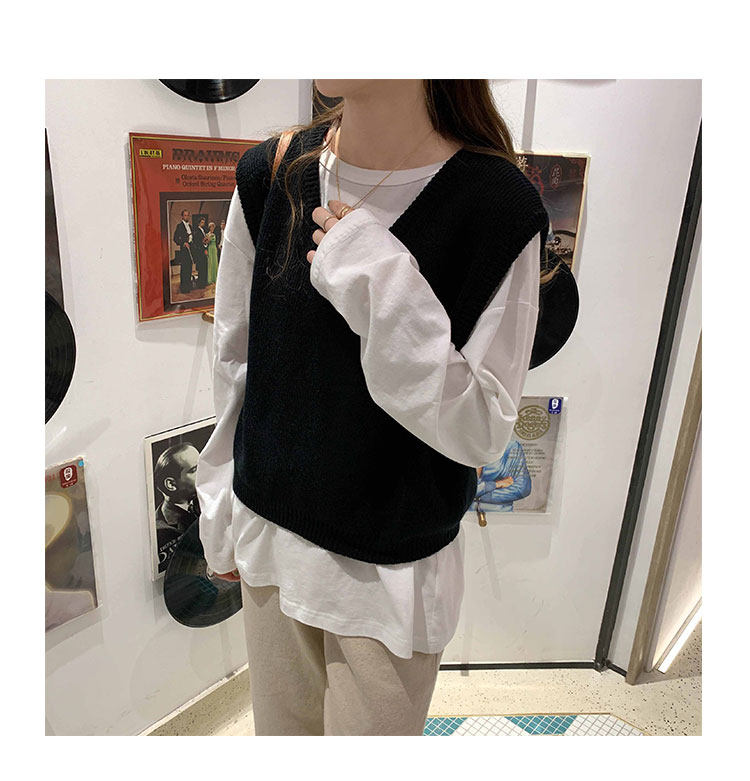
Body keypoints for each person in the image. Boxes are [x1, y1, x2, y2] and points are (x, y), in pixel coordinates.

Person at [196, 79, 548, 736]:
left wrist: (382, 283)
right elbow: (238, 361)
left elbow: (481, 430)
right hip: (270, 544)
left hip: (391, 575)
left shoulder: (497, 207)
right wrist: (219, 511)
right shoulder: (272, 174)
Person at [154, 443, 201, 574]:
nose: (205, 471)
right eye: (194, 469)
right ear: (171, 484)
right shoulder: (161, 531)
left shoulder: (206, 500)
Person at [173, 209, 193, 294]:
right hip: (184, 251)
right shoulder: (179, 226)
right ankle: (184, 288)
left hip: (191, 250)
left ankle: (188, 286)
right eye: (185, 215)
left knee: (189, 269)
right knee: (184, 269)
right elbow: (175, 238)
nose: (187, 217)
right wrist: (183, 243)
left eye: (188, 215)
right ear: (182, 216)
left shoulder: (190, 226)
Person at [194, 217, 209, 289]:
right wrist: (204, 247)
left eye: (204, 222)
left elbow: (203, 241)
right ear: (199, 223)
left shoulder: (203, 230)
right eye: (202, 222)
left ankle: (203, 282)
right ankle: (201, 284)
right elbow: (197, 242)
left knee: (204, 267)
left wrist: (206, 243)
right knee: (201, 268)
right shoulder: (197, 231)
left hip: (203, 250)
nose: (203, 223)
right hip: (200, 252)